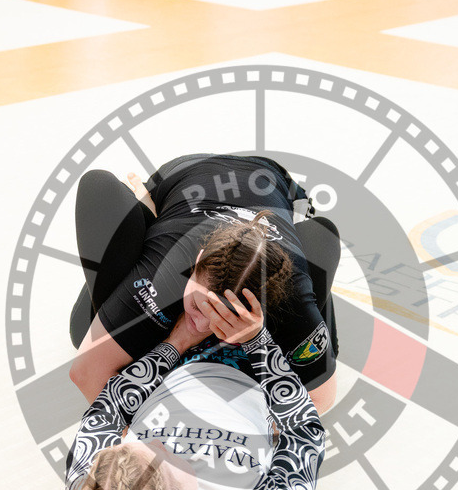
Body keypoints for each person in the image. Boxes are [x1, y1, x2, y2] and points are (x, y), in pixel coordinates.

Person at [65, 286, 326, 490]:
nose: (159, 441)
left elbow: (108, 409)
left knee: (91, 320)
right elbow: (305, 432)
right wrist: (258, 342)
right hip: (263, 371)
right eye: (172, 455)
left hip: (172, 356)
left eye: (142, 441)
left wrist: (179, 341)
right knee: (312, 252)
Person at [67, 153, 340, 414]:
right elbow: (85, 373)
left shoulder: (290, 295)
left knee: (320, 242)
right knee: (84, 330)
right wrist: (139, 444)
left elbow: (321, 399)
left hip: (271, 187)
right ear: (195, 265)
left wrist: (259, 344)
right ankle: (149, 209)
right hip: (183, 176)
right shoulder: (165, 275)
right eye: (199, 306)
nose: (203, 325)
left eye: (225, 316)